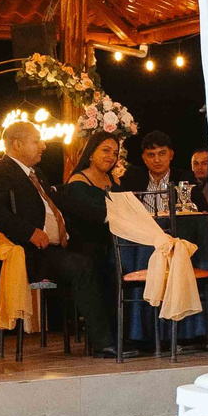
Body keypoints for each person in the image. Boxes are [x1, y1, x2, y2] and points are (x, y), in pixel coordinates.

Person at [0, 122, 116, 358]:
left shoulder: (35, 173)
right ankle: (103, 342)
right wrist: (28, 232)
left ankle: (120, 333)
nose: (43, 146)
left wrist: (106, 216)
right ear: (17, 144)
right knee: (82, 266)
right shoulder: (0, 170)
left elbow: (59, 202)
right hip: (33, 253)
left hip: (57, 248)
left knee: (103, 254)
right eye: (36, 141)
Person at [56, 133, 126, 351]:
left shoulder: (114, 181)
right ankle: (106, 340)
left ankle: (136, 333)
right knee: (112, 264)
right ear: (91, 153)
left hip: (113, 243)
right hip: (88, 248)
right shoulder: (78, 182)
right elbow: (94, 217)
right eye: (105, 150)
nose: (110, 157)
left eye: (114, 153)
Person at [120, 132, 179, 205]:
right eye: (151, 155)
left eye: (162, 154)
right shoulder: (132, 178)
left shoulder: (184, 179)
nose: (157, 160)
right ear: (144, 158)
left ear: (171, 155)